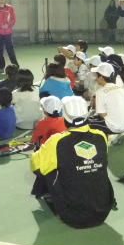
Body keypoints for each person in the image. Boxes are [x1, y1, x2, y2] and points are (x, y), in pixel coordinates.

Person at [30, 96, 115, 228]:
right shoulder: (101, 135)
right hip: (103, 211)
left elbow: (36, 166)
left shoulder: (56, 141)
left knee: (48, 168)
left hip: (73, 216)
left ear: (65, 117)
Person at [88, 62, 124, 135]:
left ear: (101, 77)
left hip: (114, 127)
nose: (96, 78)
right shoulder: (118, 87)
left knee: (86, 123)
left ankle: (111, 136)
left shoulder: (100, 91)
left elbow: (102, 114)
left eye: (96, 76)